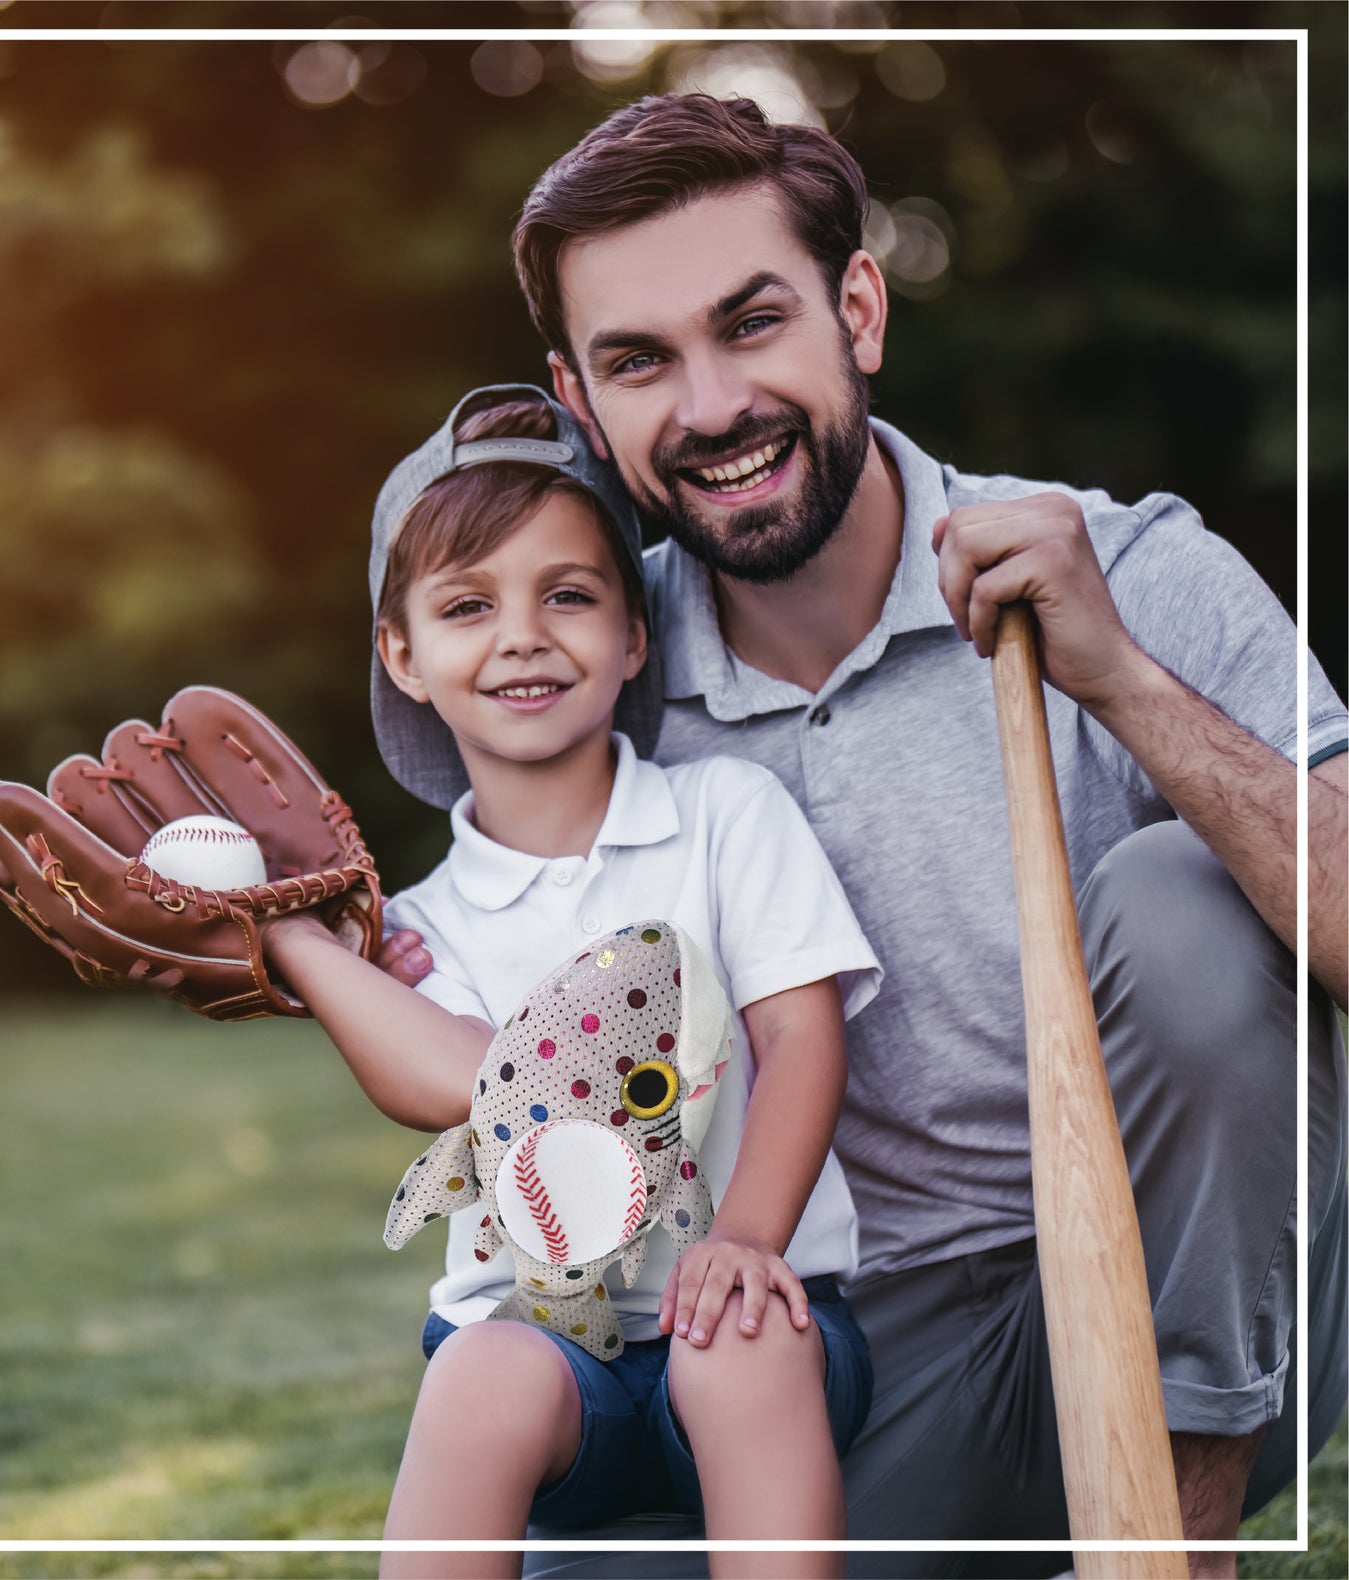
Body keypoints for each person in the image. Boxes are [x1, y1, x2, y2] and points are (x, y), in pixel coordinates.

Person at [380, 94, 1347, 1579]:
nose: (710, 406)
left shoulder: (1125, 566)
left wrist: (1123, 682)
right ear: (579, 399)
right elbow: (480, 962)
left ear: (858, 310)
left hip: (1188, 1298)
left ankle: (1170, 1553)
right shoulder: (585, 662)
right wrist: (293, 945)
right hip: (826, 1348)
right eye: (639, 361)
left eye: (751, 322)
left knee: (1181, 900)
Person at [266, 384, 881, 1580]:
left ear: (634, 633)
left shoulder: (723, 813)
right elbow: (469, 1083)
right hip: (551, 1363)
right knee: (480, 1369)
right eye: (466, 604)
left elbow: (804, 1038)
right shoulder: (418, 927)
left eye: (568, 594)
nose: (521, 635)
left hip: (762, 1321)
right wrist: (297, 940)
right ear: (402, 654)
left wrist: (745, 1238)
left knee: (738, 1337)